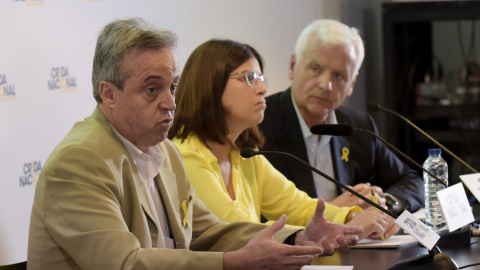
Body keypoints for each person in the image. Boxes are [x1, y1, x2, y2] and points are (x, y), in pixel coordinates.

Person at [26, 18, 364, 270]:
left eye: (172, 87)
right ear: (108, 94)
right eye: (151, 89)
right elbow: (126, 264)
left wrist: (299, 238)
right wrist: (233, 263)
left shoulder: (165, 152)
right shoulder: (80, 160)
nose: (170, 103)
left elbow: (211, 232)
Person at [168, 39, 397, 241]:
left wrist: (358, 217)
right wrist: (343, 228)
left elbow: (300, 207)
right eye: (249, 78)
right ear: (210, 85)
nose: (263, 88)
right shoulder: (186, 156)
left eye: (260, 78)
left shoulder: (245, 155)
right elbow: (238, 230)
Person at [259, 19, 424, 215]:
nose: (325, 85)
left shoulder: (358, 127)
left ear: (352, 83)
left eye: (338, 76)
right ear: (293, 66)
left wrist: (386, 204)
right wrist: (332, 212)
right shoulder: (258, 125)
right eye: (315, 69)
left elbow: (412, 182)